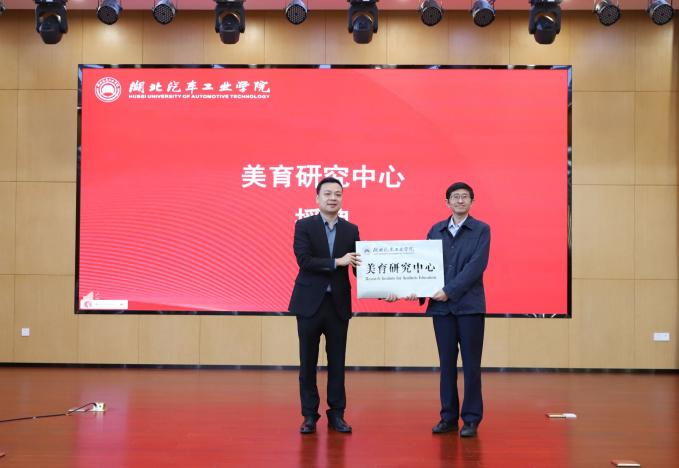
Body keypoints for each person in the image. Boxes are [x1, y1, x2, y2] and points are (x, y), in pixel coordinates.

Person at [387, 181, 490, 438]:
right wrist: (415, 290)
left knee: (471, 366)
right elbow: (423, 267)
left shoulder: (481, 229)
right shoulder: (436, 230)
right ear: (447, 202)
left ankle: (471, 419)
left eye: (464, 196)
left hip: (469, 307)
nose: (460, 200)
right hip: (441, 310)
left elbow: (476, 267)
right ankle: (448, 417)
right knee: (446, 364)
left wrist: (449, 291)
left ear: (472, 201)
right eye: (455, 197)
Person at [288, 176, 361, 435]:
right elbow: (304, 260)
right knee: (307, 362)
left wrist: (383, 287)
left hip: (338, 304)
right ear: (317, 198)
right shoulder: (304, 225)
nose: (333, 198)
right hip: (309, 304)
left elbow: (359, 265)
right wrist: (336, 262)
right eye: (328, 193)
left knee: (337, 362)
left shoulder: (351, 229)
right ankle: (309, 415)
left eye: (337, 194)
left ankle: (337, 414)